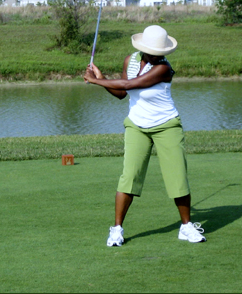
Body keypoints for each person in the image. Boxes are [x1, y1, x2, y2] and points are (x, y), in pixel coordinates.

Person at [83, 25, 206, 246]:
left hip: (166, 125)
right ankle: (117, 230)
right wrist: (102, 78)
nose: (160, 55)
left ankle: (186, 227)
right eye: (155, 51)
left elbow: (131, 84)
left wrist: (95, 81)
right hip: (136, 126)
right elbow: (122, 93)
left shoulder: (163, 68)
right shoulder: (129, 60)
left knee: (177, 178)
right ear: (144, 47)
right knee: (129, 178)